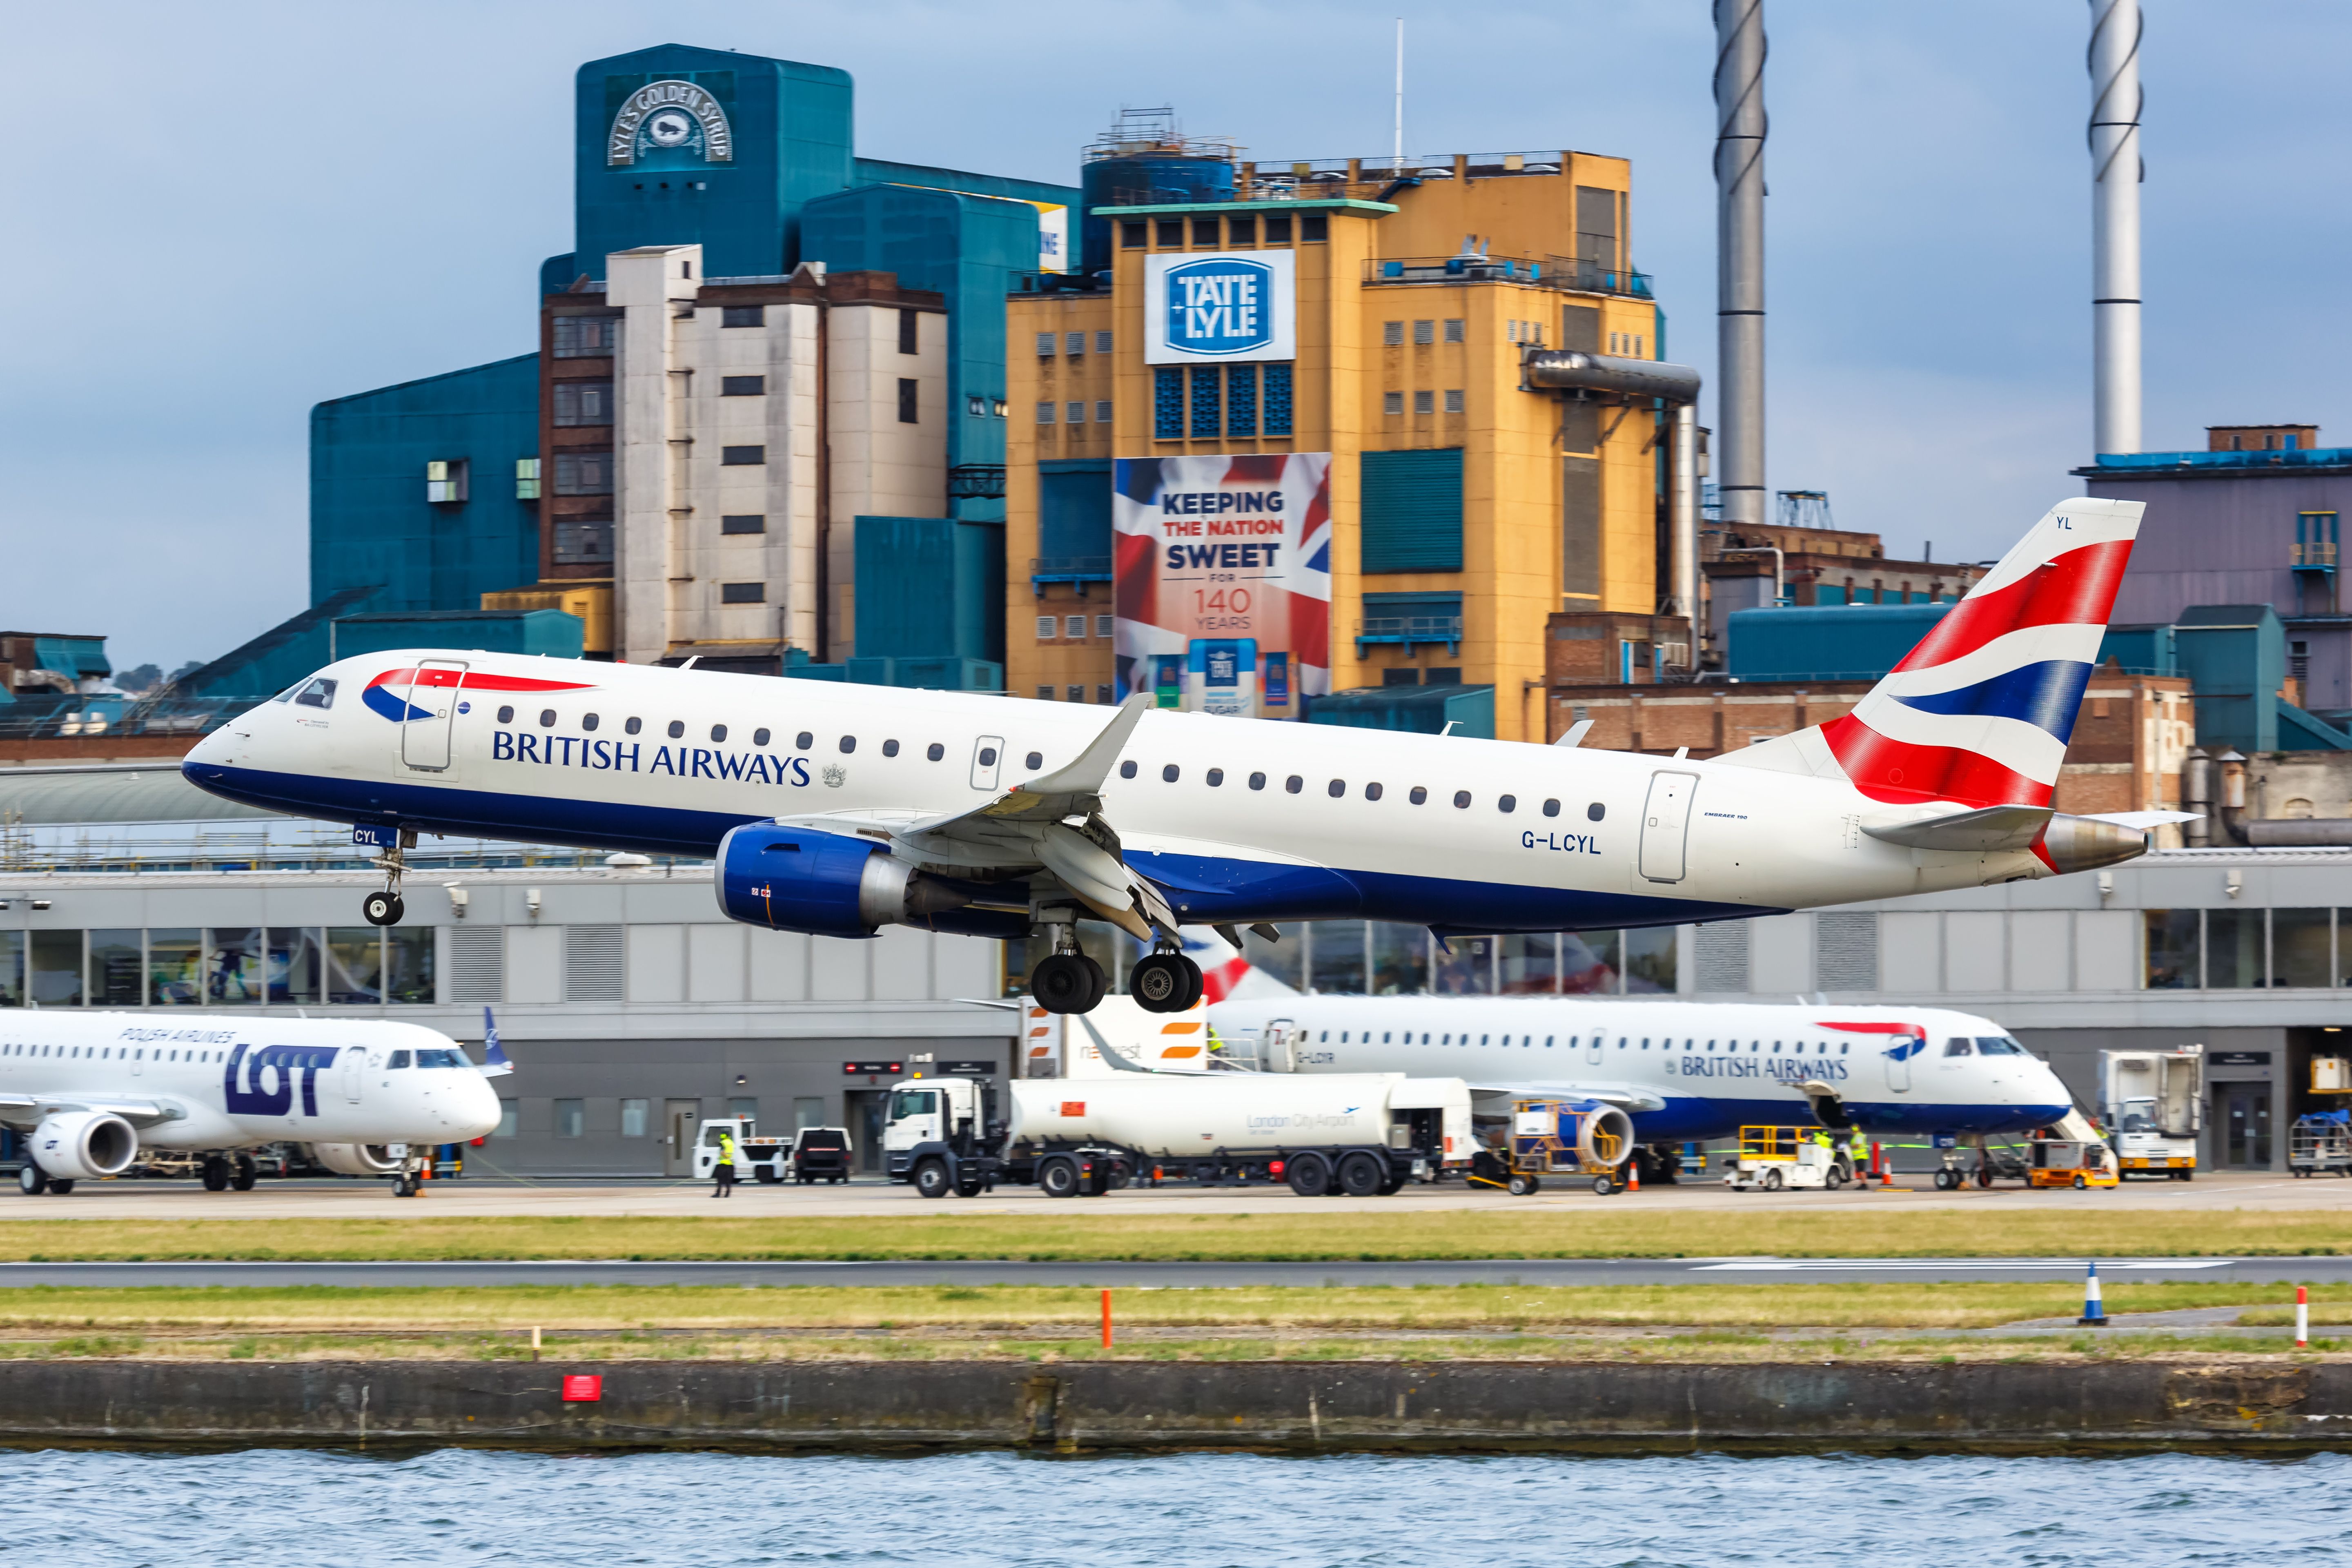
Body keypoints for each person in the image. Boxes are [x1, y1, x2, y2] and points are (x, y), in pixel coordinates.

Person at [712, 1129, 738, 1198]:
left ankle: (718, 1194)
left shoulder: (723, 1142)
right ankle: (728, 1194)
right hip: (730, 1165)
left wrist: (727, 1158)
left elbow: (722, 1152)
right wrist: (730, 1159)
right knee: (728, 1181)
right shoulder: (731, 1143)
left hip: (723, 1164)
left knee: (720, 1180)